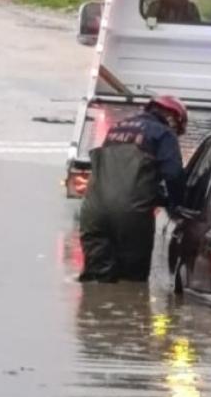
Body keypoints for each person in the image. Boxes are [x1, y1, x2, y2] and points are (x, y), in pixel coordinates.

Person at [79, 96, 188, 283]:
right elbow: (173, 176)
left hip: (93, 212)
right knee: (132, 282)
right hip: (131, 215)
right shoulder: (163, 134)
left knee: (96, 279)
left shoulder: (117, 128)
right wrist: (177, 206)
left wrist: (157, 195)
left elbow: (120, 175)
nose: (175, 133)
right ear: (172, 118)